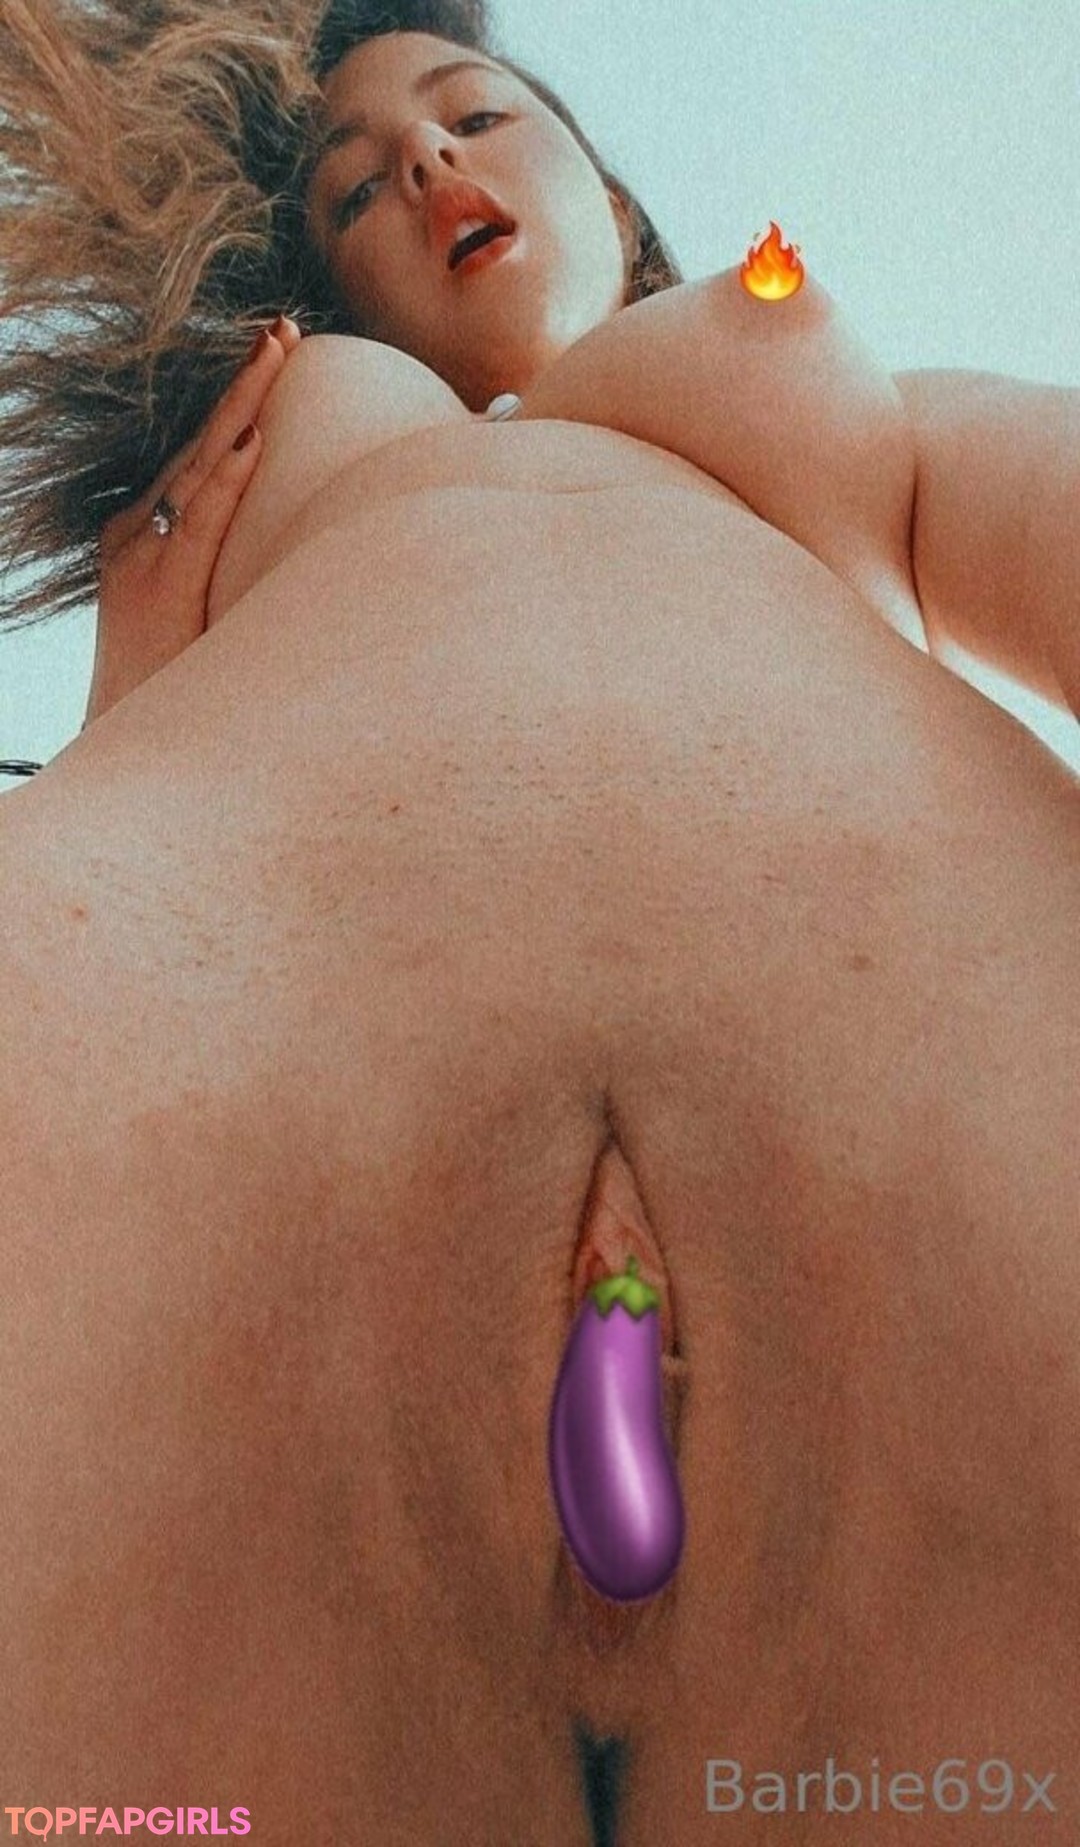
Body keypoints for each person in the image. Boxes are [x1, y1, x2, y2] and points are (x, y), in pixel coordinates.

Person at [0, 1, 1077, 1841]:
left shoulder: (782, 366)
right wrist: (124, 706)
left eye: (477, 113)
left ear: (615, 196)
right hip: (169, 1216)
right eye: (350, 191)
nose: (424, 160)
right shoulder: (258, 443)